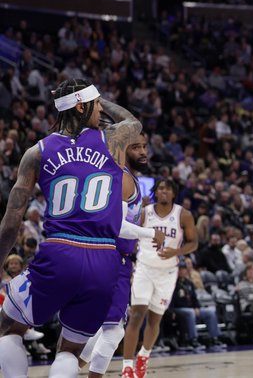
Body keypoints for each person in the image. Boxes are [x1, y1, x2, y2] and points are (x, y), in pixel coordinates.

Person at [0, 78, 142, 378]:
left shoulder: (36, 152)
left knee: (10, 327)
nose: (101, 108)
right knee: (71, 350)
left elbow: (12, 221)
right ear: (81, 105)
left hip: (61, 251)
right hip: (105, 259)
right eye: (97, 103)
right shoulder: (112, 141)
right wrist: (98, 99)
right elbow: (133, 122)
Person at [78, 133, 165, 377]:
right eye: (136, 147)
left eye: (144, 146)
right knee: (113, 331)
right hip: (112, 257)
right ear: (122, 150)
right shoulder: (124, 180)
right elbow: (117, 226)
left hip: (111, 258)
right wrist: (150, 233)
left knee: (99, 330)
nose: (143, 152)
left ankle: (66, 372)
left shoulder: (127, 179)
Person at [121, 178, 198, 378]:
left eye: (167, 189)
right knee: (137, 315)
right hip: (144, 269)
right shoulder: (145, 213)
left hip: (168, 273)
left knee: (155, 320)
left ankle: (144, 356)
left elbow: (194, 243)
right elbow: (132, 235)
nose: (163, 191)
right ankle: (127, 367)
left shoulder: (183, 215)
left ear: (174, 193)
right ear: (156, 192)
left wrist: (176, 252)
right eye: (160, 188)